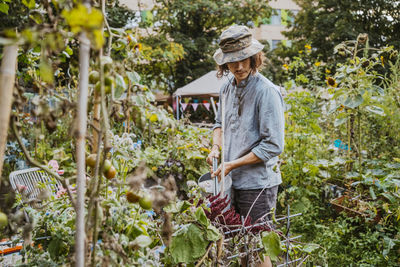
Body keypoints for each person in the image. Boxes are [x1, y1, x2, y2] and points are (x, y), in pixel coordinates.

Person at [206, 25, 285, 267]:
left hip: (258, 183)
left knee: (258, 247)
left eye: (243, 59)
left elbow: (273, 145)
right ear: (224, 64)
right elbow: (219, 123)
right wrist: (215, 148)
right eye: (232, 61)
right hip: (232, 181)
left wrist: (233, 164)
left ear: (254, 57)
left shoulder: (266, 91)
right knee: (241, 244)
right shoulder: (227, 88)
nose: (239, 66)